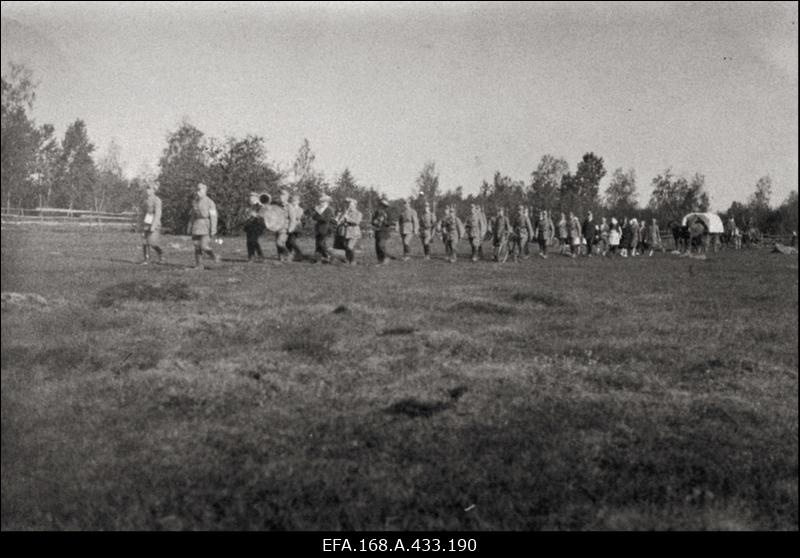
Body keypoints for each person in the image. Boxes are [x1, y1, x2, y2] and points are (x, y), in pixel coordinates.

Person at [188, 182, 220, 269]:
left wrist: (213, 229)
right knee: (197, 246)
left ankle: (214, 256)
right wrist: (189, 226)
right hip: (196, 226)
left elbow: (213, 216)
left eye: (200, 189)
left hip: (206, 226)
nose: (198, 191)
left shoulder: (210, 202)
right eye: (197, 189)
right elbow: (192, 216)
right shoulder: (195, 202)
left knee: (204, 246)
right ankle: (199, 265)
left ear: (205, 190)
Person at [140, 182, 164, 264]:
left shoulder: (157, 200)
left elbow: (158, 213)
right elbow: (143, 213)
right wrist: (141, 223)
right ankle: (146, 259)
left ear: (154, 190)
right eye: (147, 188)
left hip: (154, 222)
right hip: (146, 222)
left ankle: (160, 253)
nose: (148, 190)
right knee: (144, 242)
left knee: (152, 242)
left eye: (150, 188)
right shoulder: (145, 200)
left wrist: (154, 225)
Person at [312, 194, 336, 263]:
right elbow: (313, 217)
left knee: (321, 244)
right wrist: (318, 214)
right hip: (318, 229)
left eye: (323, 202)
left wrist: (318, 214)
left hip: (326, 229)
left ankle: (330, 255)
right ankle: (318, 259)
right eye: (321, 202)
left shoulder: (330, 209)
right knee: (318, 244)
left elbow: (326, 219)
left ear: (327, 202)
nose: (321, 203)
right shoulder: (319, 209)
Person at [243, 191, 266, 262]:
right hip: (249, 226)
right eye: (250, 198)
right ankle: (251, 256)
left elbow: (264, 216)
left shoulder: (261, 206)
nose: (251, 199)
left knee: (253, 240)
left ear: (256, 198)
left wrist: (255, 215)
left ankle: (260, 255)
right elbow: (245, 217)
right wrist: (246, 215)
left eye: (252, 198)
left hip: (258, 225)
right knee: (249, 241)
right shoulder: (248, 207)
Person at [372, 196, 394, 264]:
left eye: (383, 205)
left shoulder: (387, 213)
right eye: (381, 204)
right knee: (377, 247)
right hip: (377, 231)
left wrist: (384, 222)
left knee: (381, 245)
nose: (381, 206)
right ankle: (380, 260)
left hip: (384, 231)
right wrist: (374, 222)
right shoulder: (376, 212)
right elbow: (372, 221)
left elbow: (390, 222)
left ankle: (386, 257)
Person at [340, 197, 362, 265]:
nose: (349, 206)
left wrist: (348, 218)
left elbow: (357, 222)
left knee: (350, 246)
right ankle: (348, 260)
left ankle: (353, 260)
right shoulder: (347, 213)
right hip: (346, 232)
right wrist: (342, 220)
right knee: (346, 247)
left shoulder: (358, 213)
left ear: (355, 205)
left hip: (354, 232)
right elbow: (343, 221)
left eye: (351, 205)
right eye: (349, 205)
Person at [286, 194, 305, 261]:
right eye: (292, 201)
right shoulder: (289, 207)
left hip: (296, 227)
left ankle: (299, 254)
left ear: (298, 201)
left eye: (295, 201)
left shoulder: (300, 209)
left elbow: (297, 217)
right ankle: (291, 255)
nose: (293, 202)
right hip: (289, 226)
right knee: (288, 242)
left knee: (291, 241)